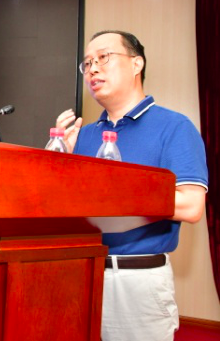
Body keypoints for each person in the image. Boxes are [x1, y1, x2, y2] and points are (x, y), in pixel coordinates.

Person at [56, 30, 208, 341]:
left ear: (136, 64)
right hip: (79, 275)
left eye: (103, 58)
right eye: (87, 63)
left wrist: (123, 192)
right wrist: (60, 159)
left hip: (137, 282)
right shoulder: (84, 135)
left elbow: (192, 206)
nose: (93, 69)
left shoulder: (174, 127)